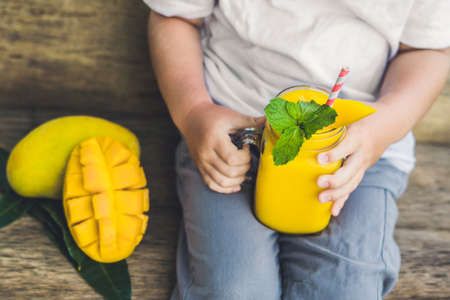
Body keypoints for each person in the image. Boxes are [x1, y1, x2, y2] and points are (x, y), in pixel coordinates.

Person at [144, 0, 450, 299]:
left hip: (358, 147)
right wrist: (194, 111)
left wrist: (383, 128)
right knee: (232, 288)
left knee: (346, 287)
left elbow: (429, 50)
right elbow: (174, 16)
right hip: (230, 132)